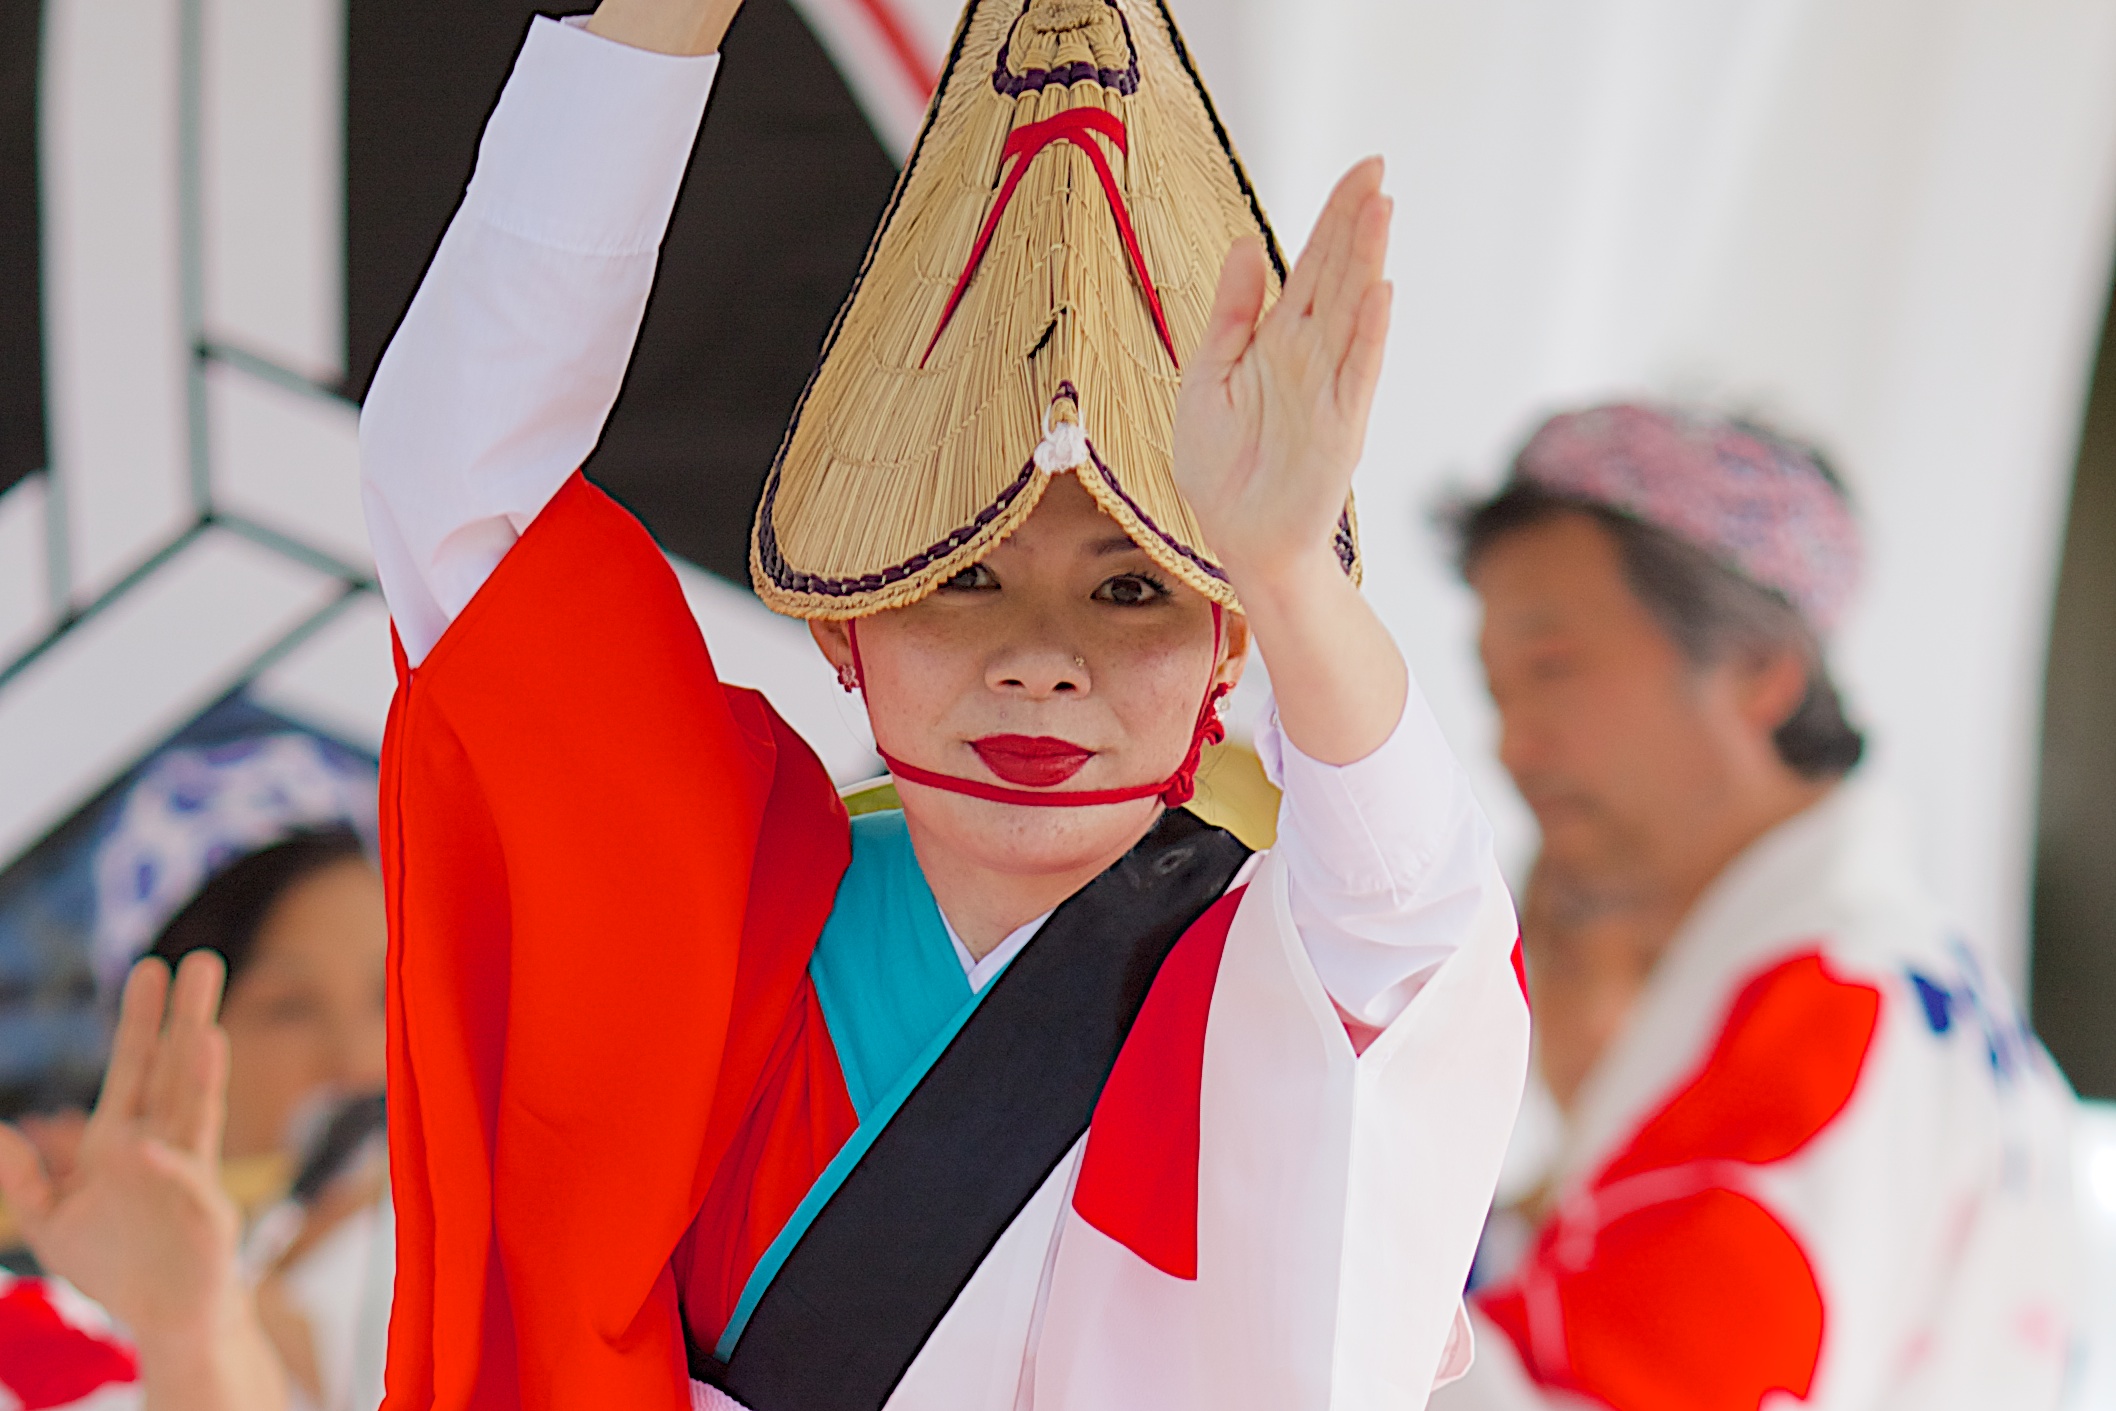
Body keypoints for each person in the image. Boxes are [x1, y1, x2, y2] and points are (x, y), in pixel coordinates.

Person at [358, 0, 1530, 1407]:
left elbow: (1416, 917)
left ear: (1233, 653)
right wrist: (642, 39)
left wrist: (1290, 572)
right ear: (847, 628)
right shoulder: (725, 906)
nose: (1042, 661)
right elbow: (462, 504)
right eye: (962, 576)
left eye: (1131, 592)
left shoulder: (1282, 987)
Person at [1431, 404, 2076, 1411]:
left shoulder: (1831, 994)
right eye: (1496, 688)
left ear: (1757, 672)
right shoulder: (1884, 971)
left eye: (1550, 666)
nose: (1512, 744)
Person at [0, 735, 393, 1411]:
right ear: (151, 1033)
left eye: (390, 994)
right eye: (289, 1009)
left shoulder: (476, 1240)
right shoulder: (53, 1309)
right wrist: (188, 1332)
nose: (359, 1058)